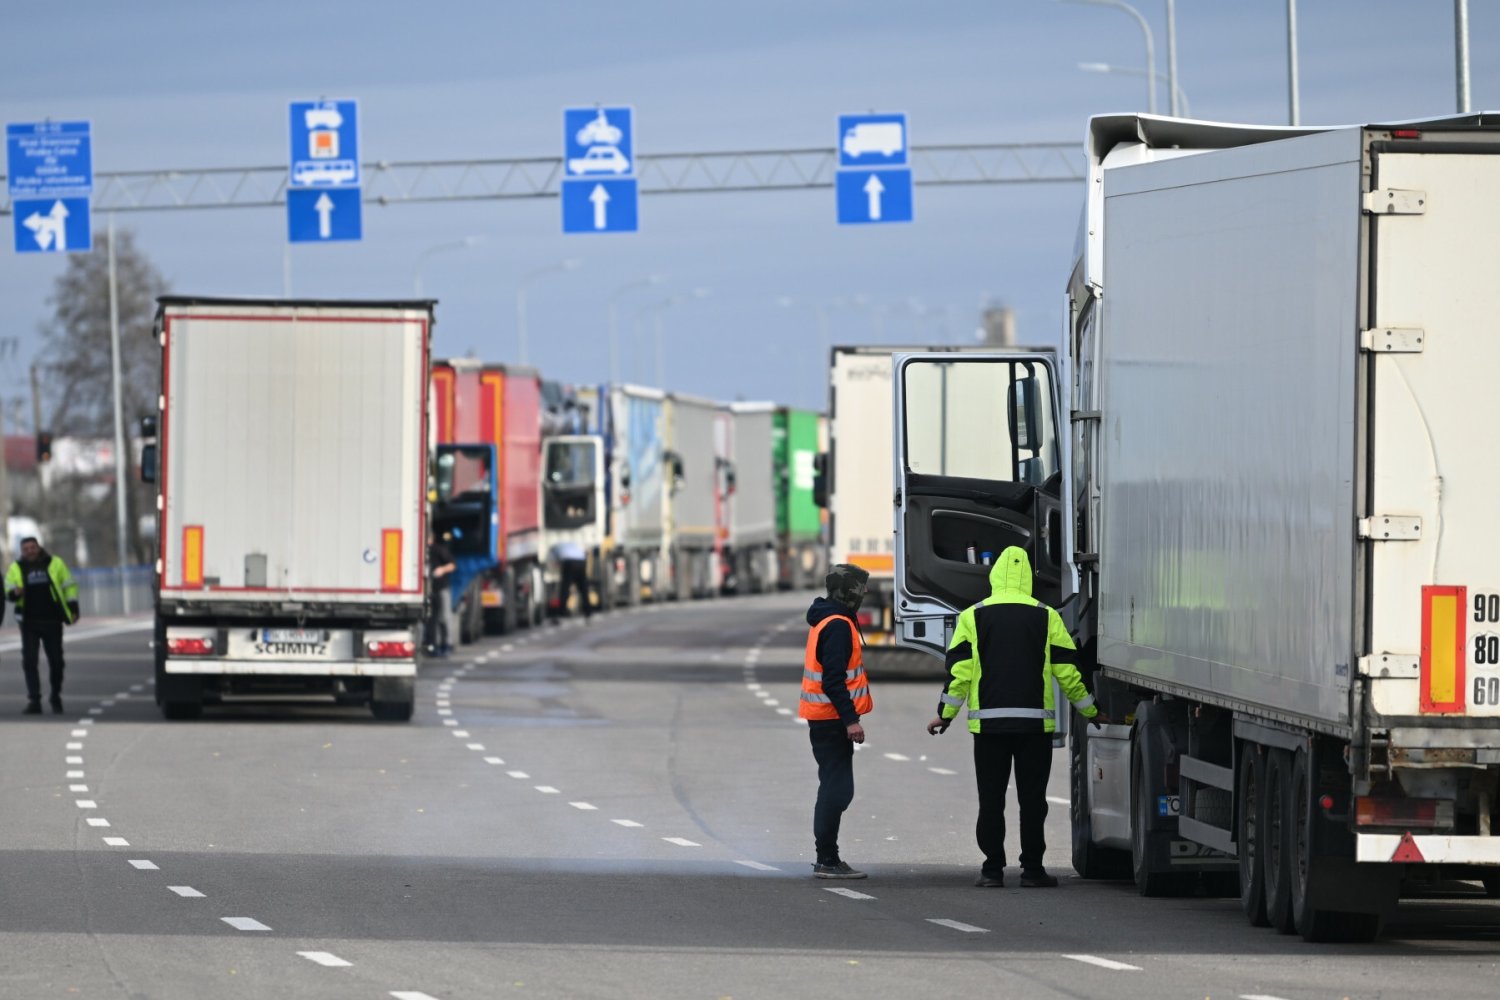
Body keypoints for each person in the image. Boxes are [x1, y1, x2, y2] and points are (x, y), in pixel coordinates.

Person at [926, 545, 1098, 888]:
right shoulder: (1046, 616)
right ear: (1026, 579)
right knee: (1032, 801)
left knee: (991, 799)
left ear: (995, 576)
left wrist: (945, 715)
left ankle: (992, 870)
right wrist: (1090, 710)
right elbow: (1067, 671)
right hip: (1034, 726)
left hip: (989, 727)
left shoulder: (972, 617)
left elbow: (960, 673)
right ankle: (1032, 870)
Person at [800, 562, 873, 879]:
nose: (864, 596)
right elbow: (833, 680)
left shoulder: (830, 619)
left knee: (837, 787)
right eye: (861, 590)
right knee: (836, 788)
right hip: (831, 721)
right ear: (849, 592)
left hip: (826, 719)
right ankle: (827, 859)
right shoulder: (838, 625)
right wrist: (850, 721)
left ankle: (827, 857)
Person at [7, 537, 80, 716]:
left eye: (33, 547)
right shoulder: (16, 568)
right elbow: (7, 592)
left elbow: (69, 585)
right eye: (26, 549)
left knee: (56, 662)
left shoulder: (55, 563)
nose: (30, 551)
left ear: (39, 548)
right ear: (21, 551)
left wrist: (73, 607)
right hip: (29, 622)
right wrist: (14, 593)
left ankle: (55, 696)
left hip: (52, 621)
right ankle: (34, 700)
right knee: (29, 662)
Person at [425, 535, 456, 655]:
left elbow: (453, 564)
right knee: (431, 619)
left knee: (444, 617)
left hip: (441, 588)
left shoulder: (439, 550)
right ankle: (432, 644)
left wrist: (441, 570)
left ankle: (447, 643)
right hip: (429, 590)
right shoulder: (422, 551)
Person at [550, 539, 591, 622]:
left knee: (565, 588)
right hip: (581, 562)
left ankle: (562, 611)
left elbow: (555, 562)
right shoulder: (572, 545)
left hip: (569, 562)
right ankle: (588, 611)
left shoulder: (554, 549)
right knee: (583, 588)